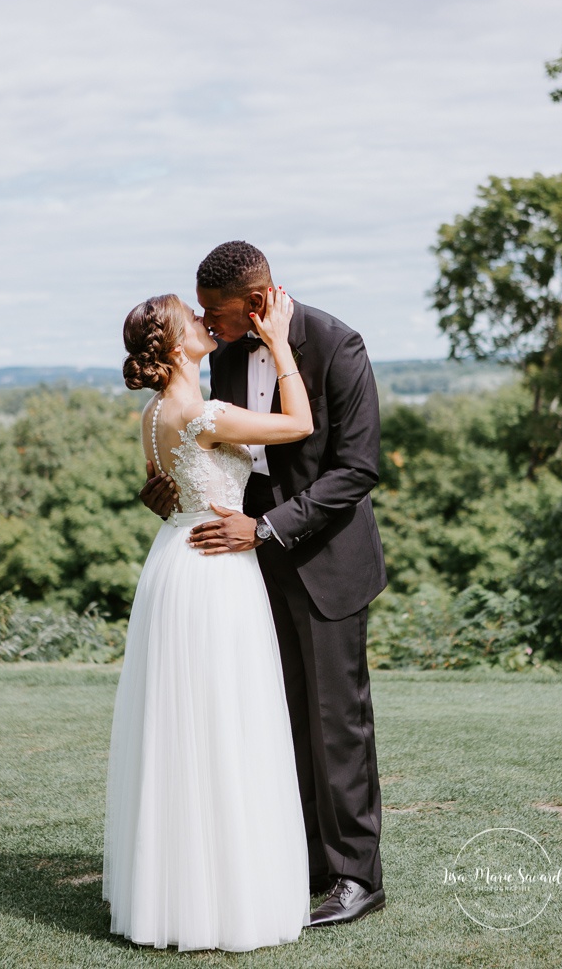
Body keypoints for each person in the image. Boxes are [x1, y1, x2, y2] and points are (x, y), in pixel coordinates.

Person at [142, 241, 387, 927]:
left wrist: (269, 526)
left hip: (324, 563)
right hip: (243, 572)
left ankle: (355, 879)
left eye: (215, 312)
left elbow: (357, 468)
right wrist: (175, 484)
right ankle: (302, 861)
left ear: (255, 302)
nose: (206, 321)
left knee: (336, 725)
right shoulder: (221, 354)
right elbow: (219, 446)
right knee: (278, 725)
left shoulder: (337, 344)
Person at [103, 287, 313, 952]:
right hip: (217, 568)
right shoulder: (206, 413)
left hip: (173, 560)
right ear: (172, 342)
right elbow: (300, 424)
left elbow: (165, 489)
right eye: (190, 318)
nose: (202, 321)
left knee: (181, 726)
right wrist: (279, 344)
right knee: (226, 719)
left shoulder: (153, 415)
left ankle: (173, 892)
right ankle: (226, 895)